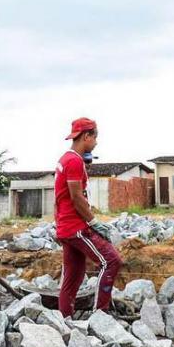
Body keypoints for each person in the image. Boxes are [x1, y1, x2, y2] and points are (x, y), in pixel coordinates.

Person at [54, 117, 123, 318]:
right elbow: (76, 197)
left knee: (73, 275)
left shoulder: (64, 160)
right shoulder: (74, 161)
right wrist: (94, 223)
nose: (96, 142)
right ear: (86, 136)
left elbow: (60, 199)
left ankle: (64, 320)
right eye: (95, 137)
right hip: (76, 227)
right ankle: (100, 315)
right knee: (111, 260)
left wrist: (59, 224)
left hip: (66, 227)